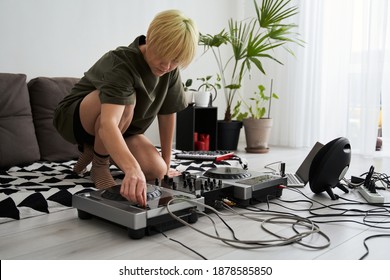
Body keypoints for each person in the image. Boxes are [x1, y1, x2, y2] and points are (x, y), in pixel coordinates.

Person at [53, 10, 198, 208]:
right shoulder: (121, 62)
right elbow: (108, 123)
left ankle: (93, 148)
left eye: (175, 61)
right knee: (126, 104)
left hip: (124, 130)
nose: (167, 66)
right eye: (163, 56)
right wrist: (131, 168)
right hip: (76, 119)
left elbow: (167, 114)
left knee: (155, 171)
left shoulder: (170, 69)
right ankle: (99, 164)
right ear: (151, 37)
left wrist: (166, 165)